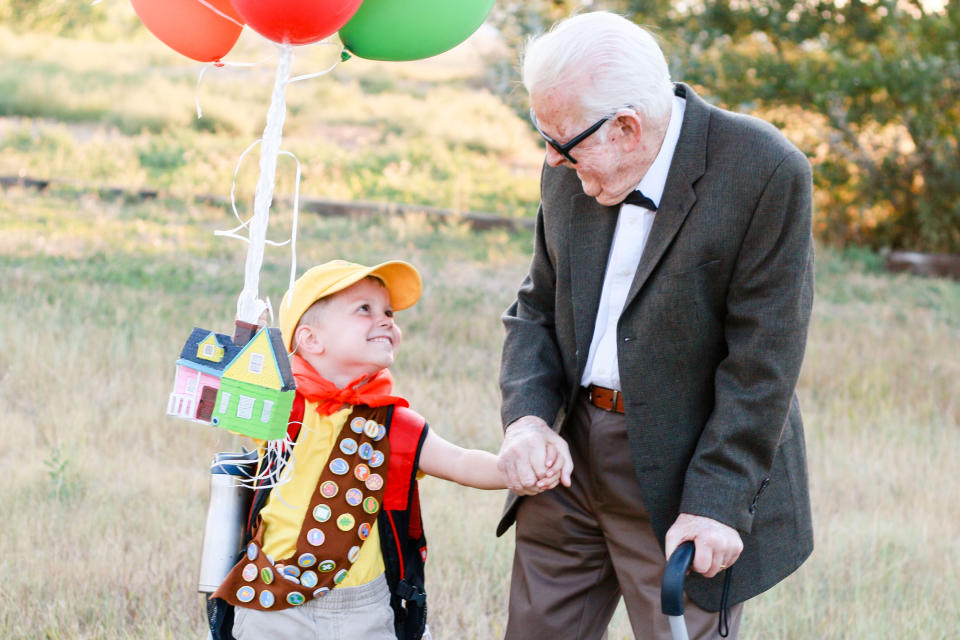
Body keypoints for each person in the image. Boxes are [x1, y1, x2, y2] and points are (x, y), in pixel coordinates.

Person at [496, 11, 814, 640]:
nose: (553, 161)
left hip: (683, 468)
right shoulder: (569, 163)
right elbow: (536, 306)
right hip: (567, 455)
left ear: (627, 127)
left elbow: (763, 363)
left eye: (562, 143)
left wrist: (716, 502)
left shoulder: (766, 170)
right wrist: (527, 419)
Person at [211, 259, 560, 640]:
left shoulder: (394, 423)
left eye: (389, 312)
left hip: (362, 609)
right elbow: (232, 405)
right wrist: (247, 350)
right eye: (365, 309)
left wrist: (515, 469)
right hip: (271, 596)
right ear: (311, 339)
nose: (386, 320)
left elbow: (458, 461)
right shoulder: (285, 406)